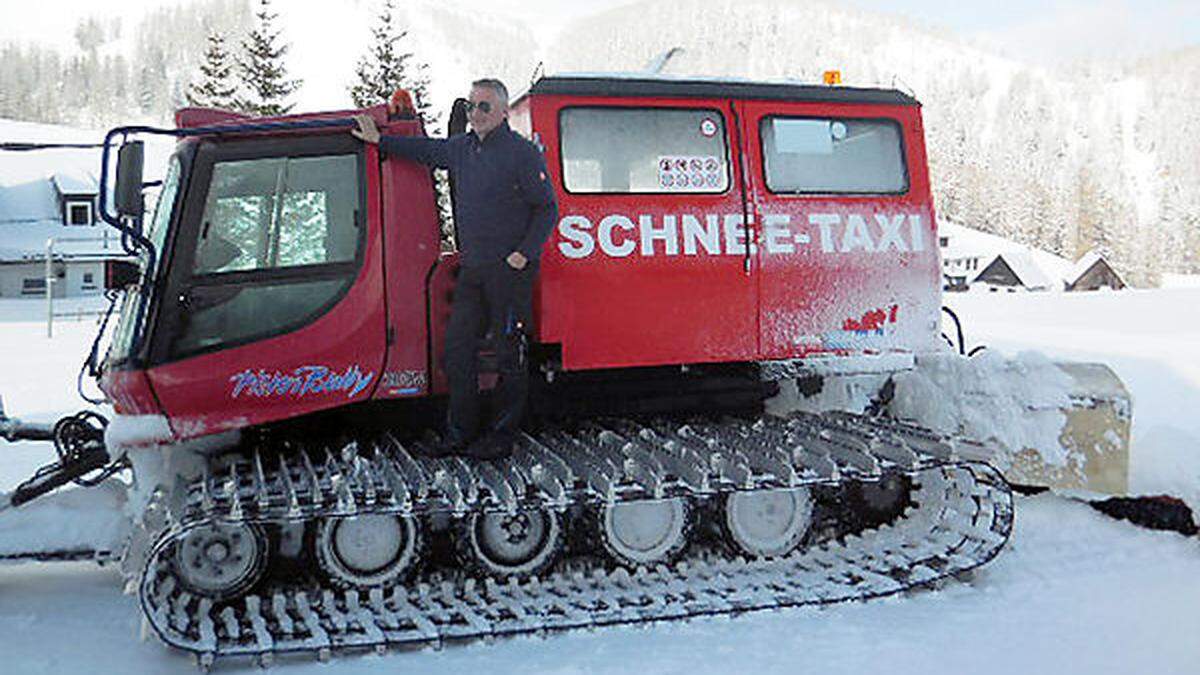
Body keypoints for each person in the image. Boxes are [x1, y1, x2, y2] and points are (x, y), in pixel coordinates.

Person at [352, 78, 558, 460]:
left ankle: (501, 437)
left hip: (508, 273)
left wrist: (523, 253)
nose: (475, 114)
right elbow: (427, 150)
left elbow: (547, 209)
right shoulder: (462, 148)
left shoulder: (522, 154)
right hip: (473, 270)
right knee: (457, 353)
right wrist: (380, 141)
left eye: (483, 107)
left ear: (500, 111)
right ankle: (460, 433)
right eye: (471, 106)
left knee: (508, 356)